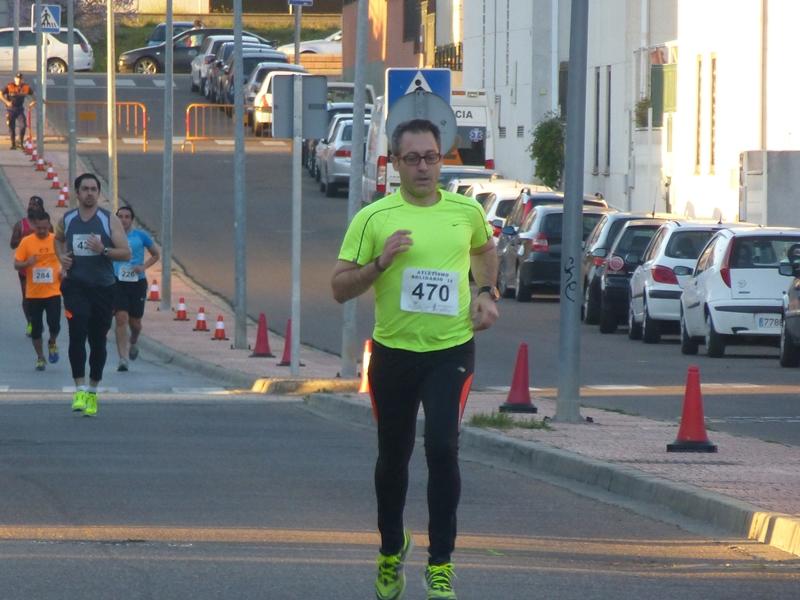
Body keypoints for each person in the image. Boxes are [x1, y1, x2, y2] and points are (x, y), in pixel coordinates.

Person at [331, 119, 499, 600]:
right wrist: (380, 263)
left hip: (450, 352)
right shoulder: (373, 218)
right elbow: (339, 288)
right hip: (393, 354)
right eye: (412, 159)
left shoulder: (466, 212)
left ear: (442, 159)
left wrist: (486, 292)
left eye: (431, 157)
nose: (423, 167)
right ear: (394, 163)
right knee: (393, 458)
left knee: (443, 448)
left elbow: (486, 251)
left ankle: (440, 562)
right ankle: (391, 548)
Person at [55, 173, 131, 417]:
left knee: (97, 340)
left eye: (93, 189)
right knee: (76, 333)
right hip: (75, 286)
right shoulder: (67, 219)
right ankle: (79, 388)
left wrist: (104, 249)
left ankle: (93, 391)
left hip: (103, 288)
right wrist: (61, 258)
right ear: (77, 193)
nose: (89, 193)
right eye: (85, 189)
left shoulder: (108, 220)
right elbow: (58, 240)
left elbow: (126, 253)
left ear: (99, 193)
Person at [112, 205, 160, 372]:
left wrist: (143, 267)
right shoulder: (111, 236)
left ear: (131, 220)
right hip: (117, 282)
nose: (123, 219)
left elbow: (155, 254)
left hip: (137, 282)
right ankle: (123, 358)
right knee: (121, 318)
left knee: (136, 323)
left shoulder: (140, 235)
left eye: (127, 217)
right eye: (120, 216)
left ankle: (134, 340)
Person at [13, 210, 62, 371]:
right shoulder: (27, 242)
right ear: (34, 226)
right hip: (33, 294)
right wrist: (28, 262)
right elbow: (16, 264)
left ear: (49, 225)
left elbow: (68, 258)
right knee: (36, 329)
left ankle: (52, 342)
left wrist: (64, 270)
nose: (41, 231)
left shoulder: (56, 241)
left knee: (54, 324)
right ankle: (40, 357)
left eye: (44, 228)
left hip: (53, 291)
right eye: (38, 228)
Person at [10, 196, 46, 336]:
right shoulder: (21, 225)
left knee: (43, 298)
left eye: (35, 205)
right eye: (30, 204)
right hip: (25, 268)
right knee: (27, 298)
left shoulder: (47, 225)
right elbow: (12, 245)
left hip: (43, 267)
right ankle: (31, 323)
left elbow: (54, 243)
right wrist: (24, 240)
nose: (31, 207)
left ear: (41, 208)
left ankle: (38, 320)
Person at [2, 72, 34, 150]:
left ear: (22, 80)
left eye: (20, 79)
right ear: (15, 79)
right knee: (11, 127)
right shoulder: (9, 86)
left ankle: (20, 142)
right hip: (11, 110)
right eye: (17, 78)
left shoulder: (26, 87)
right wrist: (6, 102)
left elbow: (33, 96)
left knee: (23, 125)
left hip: (20, 109)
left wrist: (33, 102)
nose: (18, 80)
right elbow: (0, 94)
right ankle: (13, 144)